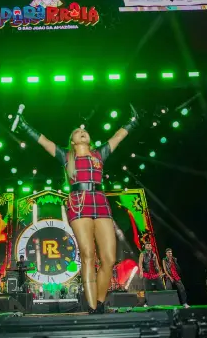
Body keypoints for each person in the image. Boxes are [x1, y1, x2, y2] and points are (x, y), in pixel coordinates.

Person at [16, 105, 139, 314]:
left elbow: (118, 137)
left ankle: (100, 302)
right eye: (77, 132)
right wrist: (24, 125)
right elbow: (44, 141)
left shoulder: (99, 154)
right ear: (73, 141)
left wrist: (133, 121)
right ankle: (93, 307)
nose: (82, 132)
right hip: (78, 202)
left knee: (109, 258)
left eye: (84, 131)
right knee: (88, 254)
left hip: (99, 201)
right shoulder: (66, 156)